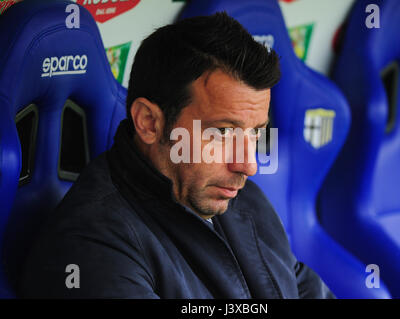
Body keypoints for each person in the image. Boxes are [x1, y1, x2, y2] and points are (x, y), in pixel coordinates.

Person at [20, 12, 334, 299]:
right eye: (221, 132)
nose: (248, 164)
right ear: (149, 122)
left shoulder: (244, 200)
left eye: (255, 133)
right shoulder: (90, 247)